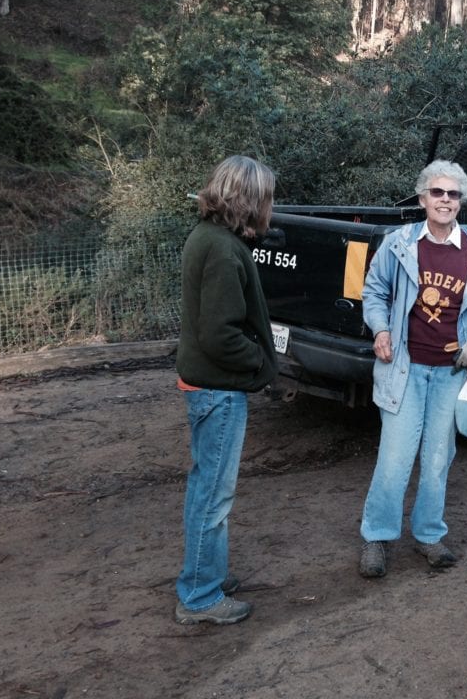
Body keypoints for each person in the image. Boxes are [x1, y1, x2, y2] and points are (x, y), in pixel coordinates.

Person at [358, 159, 467, 578]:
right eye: (438, 193)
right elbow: (374, 292)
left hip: (451, 374)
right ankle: (377, 536)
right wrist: (381, 328)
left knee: (438, 458)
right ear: (423, 197)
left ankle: (428, 535)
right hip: (403, 370)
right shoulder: (400, 243)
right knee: (394, 457)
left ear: (462, 202)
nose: (445, 200)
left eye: (453, 194)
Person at [173, 155, 278, 625]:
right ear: (250, 198)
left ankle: (206, 575)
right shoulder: (222, 248)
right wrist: (259, 362)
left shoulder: (213, 238)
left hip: (208, 386)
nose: (270, 205)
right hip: (217, 389)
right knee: (213, 495)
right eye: (267, 197)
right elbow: (220, 335)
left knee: (207, 489)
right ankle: (199, 595)